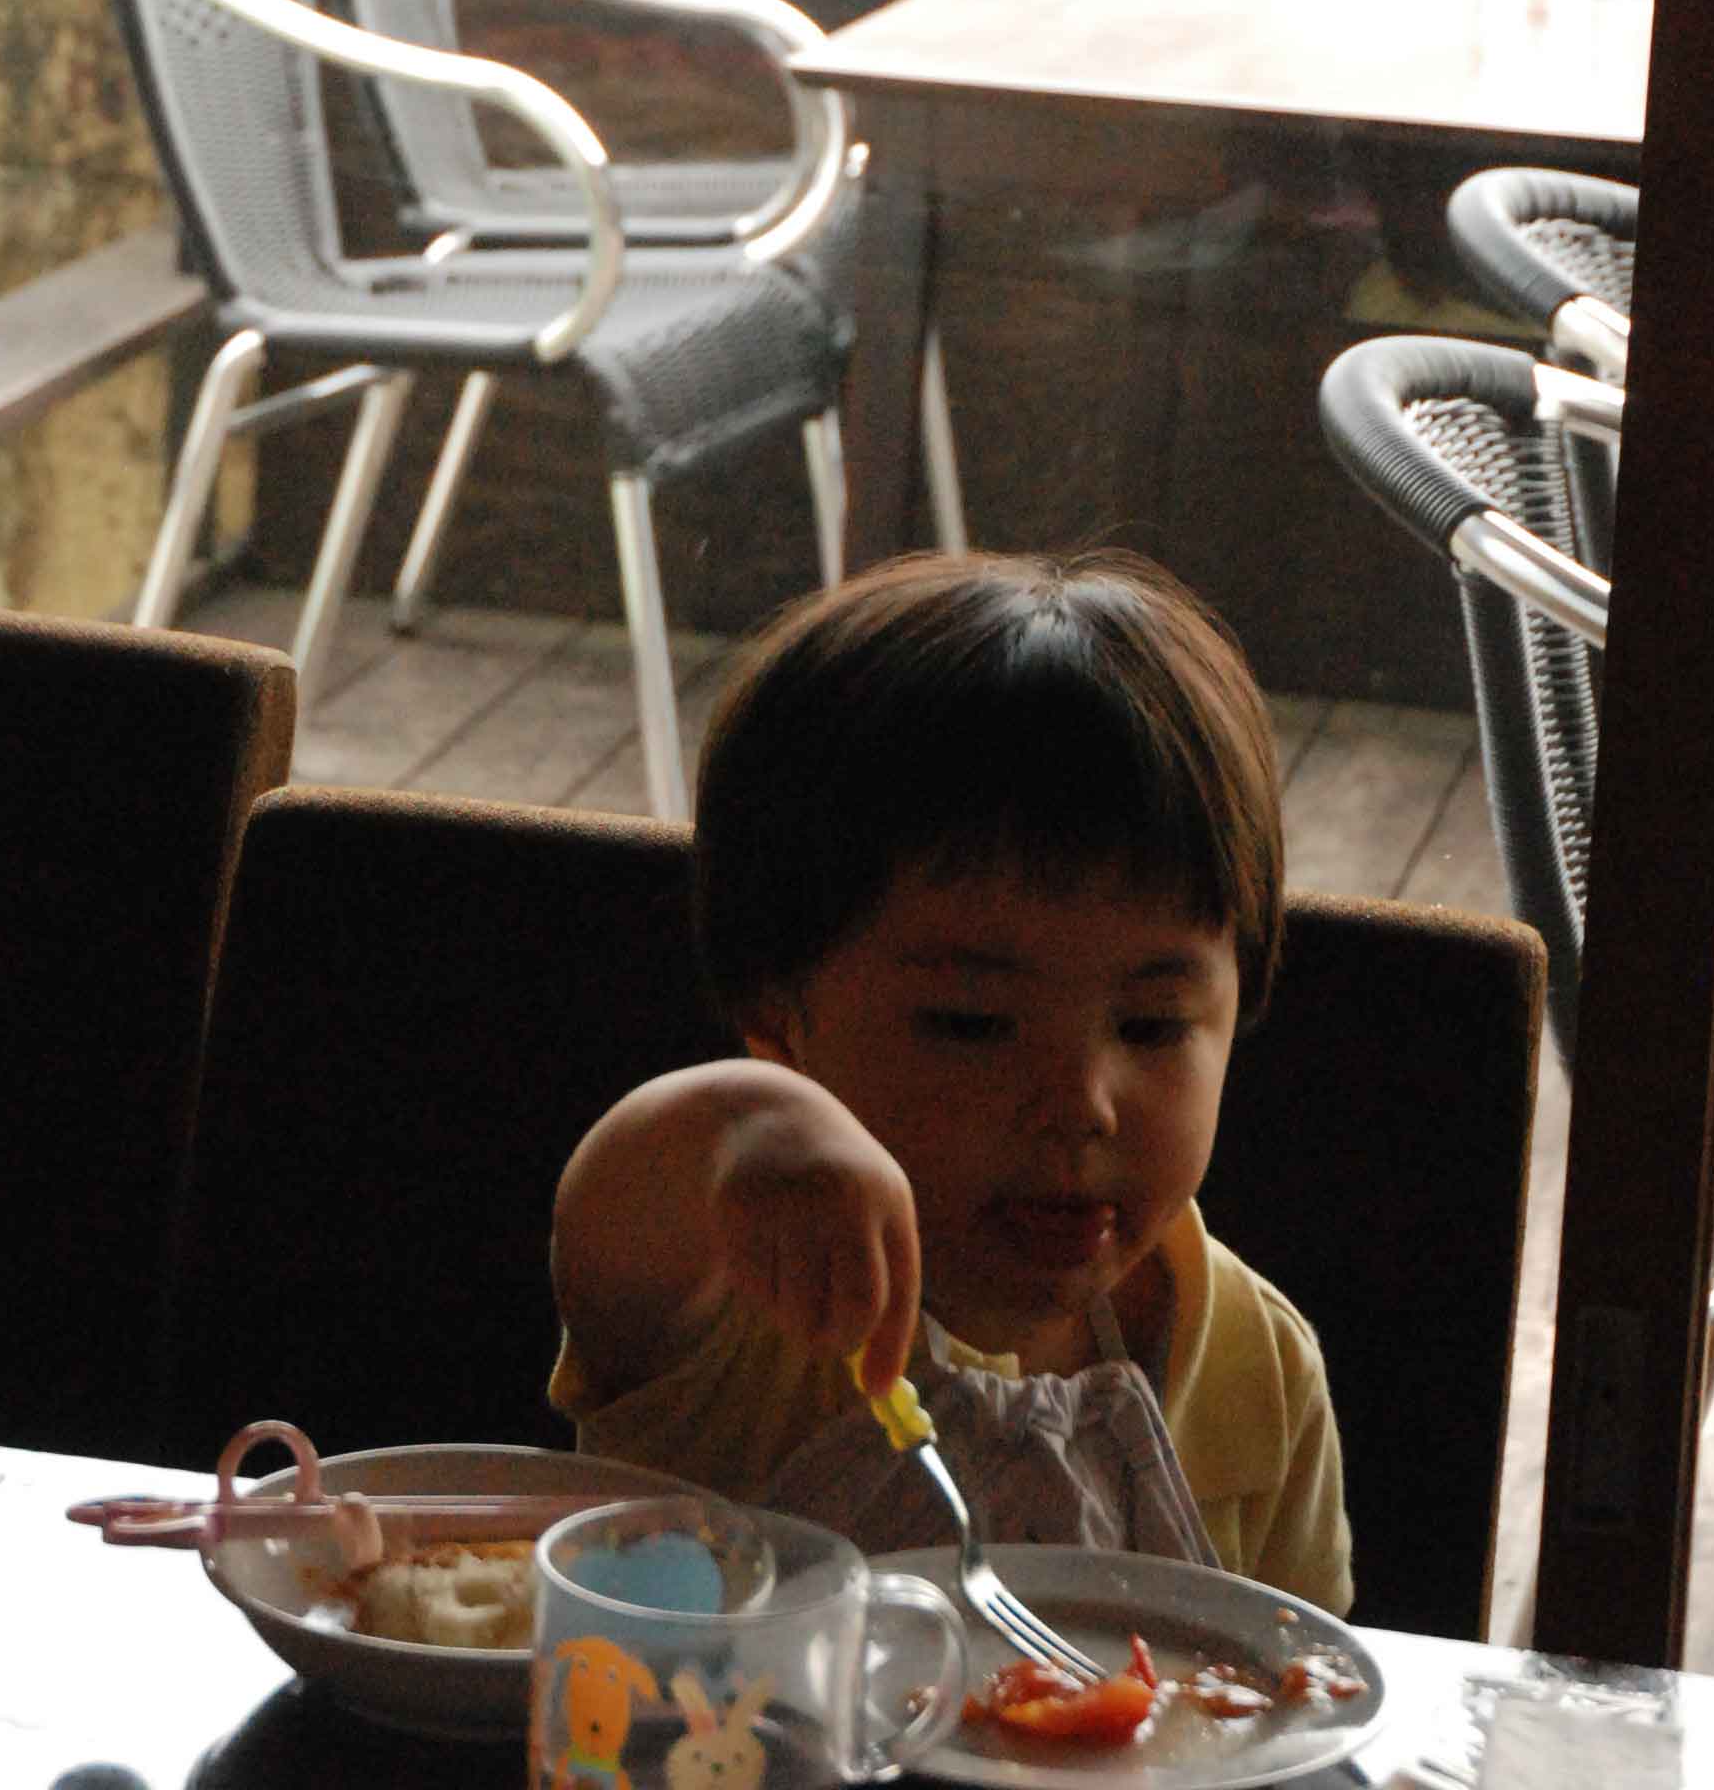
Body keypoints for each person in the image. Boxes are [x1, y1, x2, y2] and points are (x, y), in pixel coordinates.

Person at [548, 549, 1349, 1610]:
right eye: (973, 1023)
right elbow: (609, 1232)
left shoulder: (1257, 1365)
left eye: (1152, 1024)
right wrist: (744, 1123)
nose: (1080, 1104)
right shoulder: (743, 1301)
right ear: (779, 1018)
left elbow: (1307, 1671)